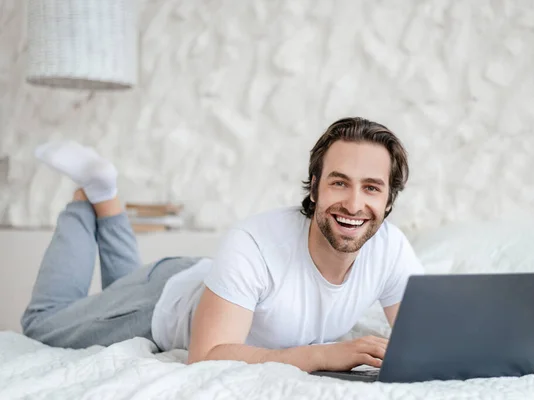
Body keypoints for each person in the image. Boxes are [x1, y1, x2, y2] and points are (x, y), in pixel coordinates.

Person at [21, 117, 424, 373]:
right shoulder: (255, 242)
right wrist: (320, 354)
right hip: (158, 304)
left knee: (121, 282)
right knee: (42, 322)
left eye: (371, 188)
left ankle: (105, 194)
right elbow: (207, 353)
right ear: (315, 186)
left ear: (388, 201)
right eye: (339, 182)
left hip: (216, 287)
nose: (354, 204)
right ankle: (87, 195)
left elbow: (428, 341)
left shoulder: (389, 248)